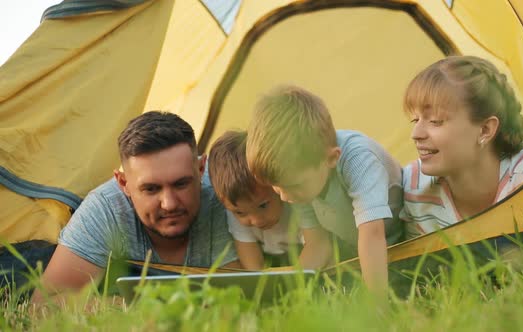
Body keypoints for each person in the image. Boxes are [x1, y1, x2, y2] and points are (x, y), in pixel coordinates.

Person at [32, 111, 238, 303]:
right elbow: (44, 306)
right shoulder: (105, 209)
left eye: (181, 184)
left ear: (201, 168)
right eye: (151, 189)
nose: (170, 203)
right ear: (123, 184)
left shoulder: (231, 190)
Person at [246, 85, 403, 294]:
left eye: (291, 186)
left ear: (331, 158)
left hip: (404, 239)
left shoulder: (357, 159)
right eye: (276, 187)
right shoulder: (301, 184)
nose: (284, 196)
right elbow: (318, 244)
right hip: (358, 250)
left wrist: (376, 306)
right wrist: (290, 294)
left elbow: (372, 234)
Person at [400, 55, 523, 238]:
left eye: (435, 121)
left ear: (485, 130)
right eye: (415, 120)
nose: (416, 134)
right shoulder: (414, 189)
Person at [208, 130, 303, 270]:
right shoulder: (235, 211)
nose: (256, 220)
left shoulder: (296, 203)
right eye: (240, 213)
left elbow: (317, 248)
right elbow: (253, 269)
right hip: (271, 260)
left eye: (263, 205)